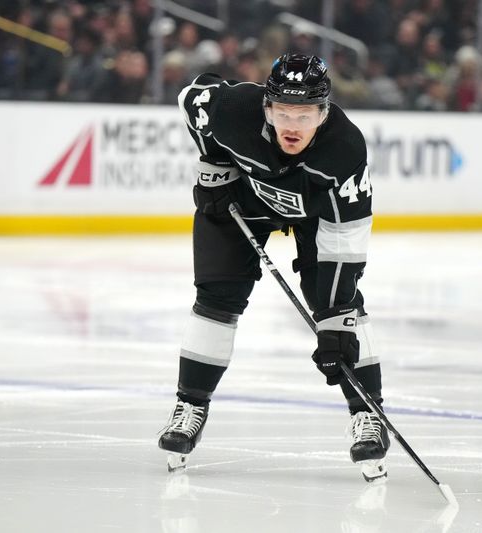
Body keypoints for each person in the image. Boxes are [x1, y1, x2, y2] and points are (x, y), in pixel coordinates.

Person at [158, 54, 389, 482]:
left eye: (304, 114)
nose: (292, 125)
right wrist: (215, 169)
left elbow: (345, 239)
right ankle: (190, 404)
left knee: (337, 307)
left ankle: (367, 413)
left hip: (318, 220)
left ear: (324, 112)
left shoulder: (344, 149)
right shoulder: (231, 110)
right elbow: (190, 98)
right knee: (216, 296)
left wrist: (336, 320)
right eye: (283, 111)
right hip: (243, 203)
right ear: (266, 106)